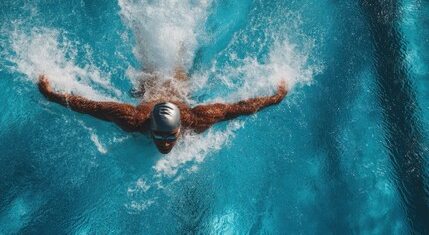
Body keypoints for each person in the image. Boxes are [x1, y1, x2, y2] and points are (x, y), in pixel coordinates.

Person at [37, 69, 287, 154]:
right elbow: (91, 107)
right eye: (160, 136)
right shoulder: (132, 118)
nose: (165, 144)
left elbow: (236, 110)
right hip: (151, 88)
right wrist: (52, 95)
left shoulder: (198, 119)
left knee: (182, 75)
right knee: (147, 78)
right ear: (150, 127)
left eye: (170, 136)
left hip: (179, 91)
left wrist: (273, 99)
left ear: (180, 128)